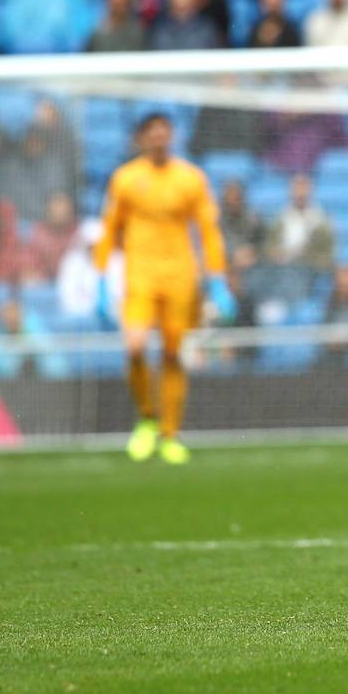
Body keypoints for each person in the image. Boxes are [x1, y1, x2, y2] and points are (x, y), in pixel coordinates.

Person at [93, 113, 235, 465]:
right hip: (140, 274)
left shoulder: (190, 178)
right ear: (141, 138)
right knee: (135, 346)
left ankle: (170, 434)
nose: (159, 138)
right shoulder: (126, 179)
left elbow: (208, 231)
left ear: (172, 137)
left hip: (180, 277)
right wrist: (99, 277)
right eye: (153, 133)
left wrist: (217, 279)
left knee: (173, 354)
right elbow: (110, 229)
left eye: (165, 132)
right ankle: (147, 417)